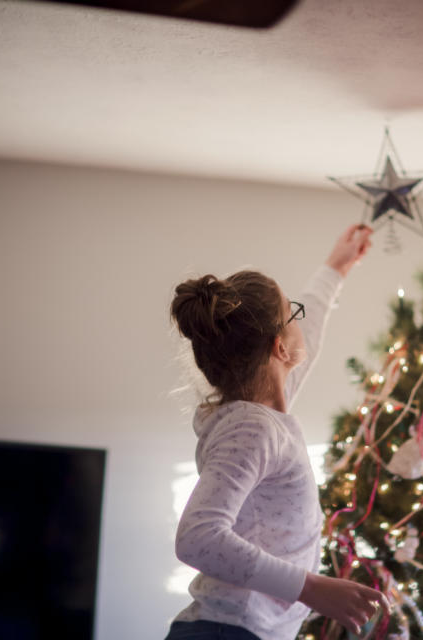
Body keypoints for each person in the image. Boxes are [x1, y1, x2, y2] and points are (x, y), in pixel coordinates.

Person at [166, 224, 391, 640]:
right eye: (294, 314)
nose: (302, 319)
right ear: (280, 348)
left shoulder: (261, 416)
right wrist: (312, 588)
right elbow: (197, 537)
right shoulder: (252, 428)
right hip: (229, 632)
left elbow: (314, 330)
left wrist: (335, 268)